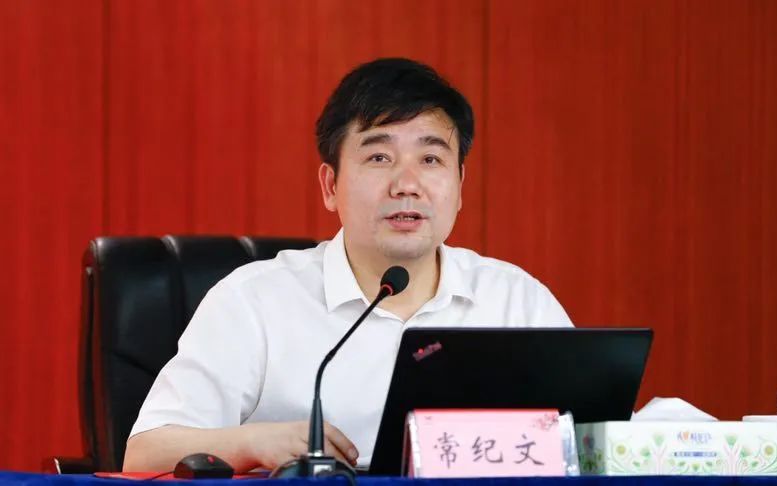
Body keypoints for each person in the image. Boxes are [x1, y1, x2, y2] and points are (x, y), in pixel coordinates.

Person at [123, 58, 572, 473]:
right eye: (379, 158)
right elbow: (143, 453)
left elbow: (588, 442)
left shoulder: (517, 302)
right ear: (330, 185)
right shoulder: (254, 301)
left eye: (431, 159)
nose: (407, 184)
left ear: (459, 186)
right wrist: (252, 443)